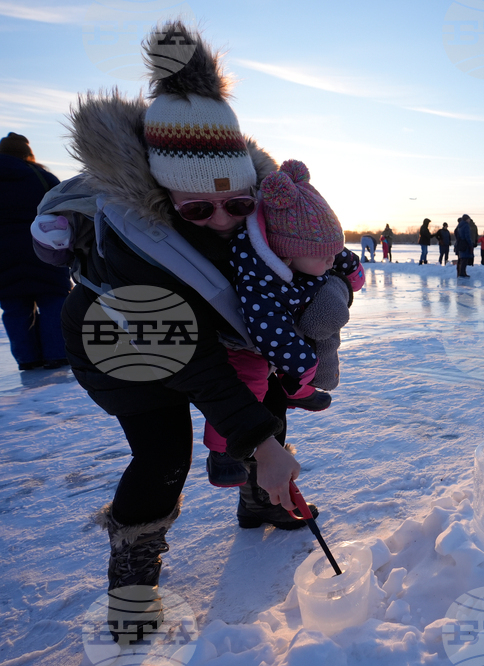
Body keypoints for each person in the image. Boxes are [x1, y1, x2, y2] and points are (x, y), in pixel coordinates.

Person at [29, 23, 312, 643]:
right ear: (162, 195)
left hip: (199, 336)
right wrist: (260, 444)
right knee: (163, 454)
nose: (221, 220)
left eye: (236, 205)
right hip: (120, 344)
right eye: (198, 210)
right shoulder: (135, 242)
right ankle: (134, 569)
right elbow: (195, 366)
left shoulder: (245, 204)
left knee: (267, 399)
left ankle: (259, 497)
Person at [201, 159, 362, 488]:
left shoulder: (306, 245)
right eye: (324, 255)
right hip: (242, 339)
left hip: (292, 309)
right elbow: (268, 328)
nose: (331, 259)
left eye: (334, 252)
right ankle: (222, 451)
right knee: (253, 379)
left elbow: (332, 248)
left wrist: (350, 269)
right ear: (287, 253)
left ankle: (297, 386)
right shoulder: (259, 276)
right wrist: (303, 363)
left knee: (319, 333)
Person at [0, 132, 70, 370]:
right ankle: (57, 355)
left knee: (13, 305)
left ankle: (27, 360)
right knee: (53, 299)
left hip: (2, 255)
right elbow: (64, 209)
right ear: (27, 153)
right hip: (42, 247)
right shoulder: (41, 176)